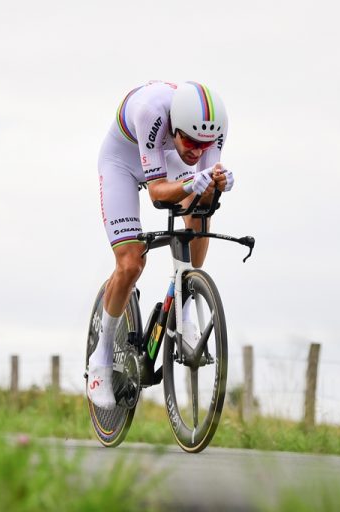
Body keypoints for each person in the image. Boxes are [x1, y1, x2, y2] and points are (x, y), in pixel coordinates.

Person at [87, 81, 234, 409]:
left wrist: (217, 183)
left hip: (169, 160)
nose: (197, 151)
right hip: (122, 163)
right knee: (131, 263)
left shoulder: (211, 127)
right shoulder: (150, 111)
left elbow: (206, 186)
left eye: (204, 145)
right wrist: (192, 182)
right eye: (191, 142)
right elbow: (157, 193)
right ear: (174, 126)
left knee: (201, 212)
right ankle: (101, 357)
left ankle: (184, 309)